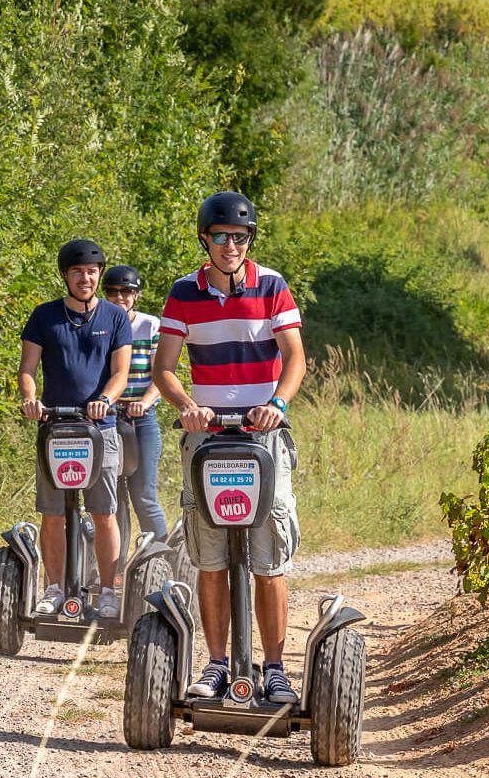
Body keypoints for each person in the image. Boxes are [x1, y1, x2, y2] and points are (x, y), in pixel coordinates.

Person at [152, 191, 306, 706]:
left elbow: (295, 358)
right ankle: (216, 664)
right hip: (206, 434)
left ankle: (277, 669)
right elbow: (165, 369)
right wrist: (186, 404)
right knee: (209, 554)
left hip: (263, 432)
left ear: (249, 241)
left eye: (240, 238)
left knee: (269, 552)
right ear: (205, 240)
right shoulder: (182, 294)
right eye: (221, 237)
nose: (231, 246)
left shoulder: (273, 287)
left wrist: (278, 406)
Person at [19, 239, 133, 619]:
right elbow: (27, 371)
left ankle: (107, 591)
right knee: (52, 513)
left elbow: (120, 373)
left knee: (104, 512)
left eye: (91, 272)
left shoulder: (115, 318)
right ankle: (53, 588)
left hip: (101, 427)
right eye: (77, 272)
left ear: (99, 275)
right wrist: (30, 400)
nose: (85, 278)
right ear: (65, 276)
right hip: (56, 426)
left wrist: (105, 398)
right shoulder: (44, 316)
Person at [102, 264, 166, 541]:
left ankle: (162, 559)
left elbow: (162, 375)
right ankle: (115, 568)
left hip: (141, 418)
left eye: (126, 292)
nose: (120, 297)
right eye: (113, 292)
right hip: (107, 417)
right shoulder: (98, 325)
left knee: (143, 496)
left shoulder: (150, 325)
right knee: (111, 498)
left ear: (136, 295)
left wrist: (144, 402)